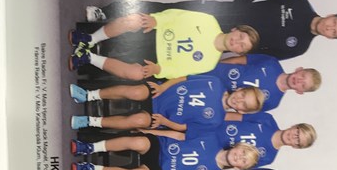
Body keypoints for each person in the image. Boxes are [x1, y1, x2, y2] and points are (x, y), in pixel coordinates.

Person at [88, 0, 337, 60]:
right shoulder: (299, 0)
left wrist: (232, 50)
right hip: (219, 14)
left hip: (221, 43)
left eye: (334, 32)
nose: (330, 28)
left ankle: (106, 47)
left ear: (331, 38)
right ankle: (106, 13)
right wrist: (237, 7)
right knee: (163, 12)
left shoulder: (300, 47)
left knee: (160, 47)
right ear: (332, 15)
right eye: (334, 23)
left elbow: (261, 56)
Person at [69, 57, 321, 113]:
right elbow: (239, 59)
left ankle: (93, 98)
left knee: (142, 95)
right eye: (303, 76)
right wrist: (211, 64)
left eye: (303, 85)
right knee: (141, 73)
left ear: (300, 92)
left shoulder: (273, 102)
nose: (299, 80)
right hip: (202, 74)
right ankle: (90, 72)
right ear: (299, 70)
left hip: (204, 99)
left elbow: (240, 111)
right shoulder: (272, 64)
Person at [67, 10, 258, 81]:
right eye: (240, 36)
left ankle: (88, 58)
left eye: (242, 46)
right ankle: (90, 39)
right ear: (235, 29)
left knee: (137, 74)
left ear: (237, 52)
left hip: (156, 58)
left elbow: (179, 70)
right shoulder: (209, 21)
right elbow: (177, 16)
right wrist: (157, 20)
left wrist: (159, 70)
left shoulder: (210, 63)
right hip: (155, 32)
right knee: (136, 20)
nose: (237, 42)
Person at [69, 78, 264, 131]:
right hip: (160, 92)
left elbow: (184, 127)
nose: (239, 100)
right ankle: (88, 95)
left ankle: (90, 121)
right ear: (240, 89)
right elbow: (184, 78)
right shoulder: (216, 82)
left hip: (160, 116)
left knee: (137, 120)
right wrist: (163, 87)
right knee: (136, 92)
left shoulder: (217, 121)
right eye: (243, 95)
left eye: (243, 104)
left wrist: (164, 121)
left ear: (241, 110)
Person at [71, 133, 260, 170]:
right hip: (162, 146)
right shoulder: (212, 139)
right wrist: (152, 132)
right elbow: (180, 136)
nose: (239, 156)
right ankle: (89, 147)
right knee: (138, 141)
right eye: (243, 152)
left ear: (238, 168)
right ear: (237, 145)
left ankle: (89, 168)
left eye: (243, 161)